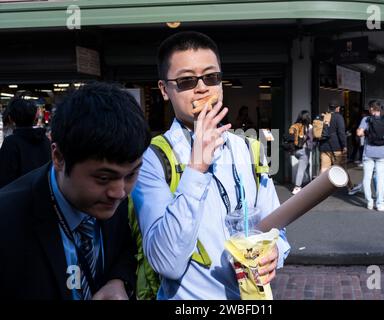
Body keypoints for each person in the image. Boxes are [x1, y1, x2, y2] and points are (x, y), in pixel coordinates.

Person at [131, 31, 290, 300]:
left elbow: (274, 226)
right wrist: (197, 166)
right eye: (187, 80)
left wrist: (276, 252)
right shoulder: (152, 159)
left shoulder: (248, 149)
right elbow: (166, 262)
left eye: (211, 77)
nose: (202, 87)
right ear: (164, 90)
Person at [0, 82, 151, 300]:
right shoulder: (8, 221)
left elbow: (123, 250)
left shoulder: (111, 198)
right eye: (103, 178)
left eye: (131, 175)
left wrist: (118, 281)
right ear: (59, 157)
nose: (119, 192)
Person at [357, 101, 384, 211]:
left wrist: (363, 133)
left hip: (368, 153)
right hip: (382, 153)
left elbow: (359, 133)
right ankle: (380, 204)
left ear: (371, 109)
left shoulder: (366, 119)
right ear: (380, 109)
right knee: (380, 179)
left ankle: (369, 202)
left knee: (367, 178)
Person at [0, 97, 51, 188]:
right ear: (35, 117)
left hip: (18, 198)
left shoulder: (11, 143)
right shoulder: (46, 141)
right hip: (43, 195)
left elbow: (4, 179)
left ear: (11, 118)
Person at [318, 103, 361, 195]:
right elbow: (341, 133)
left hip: (324, 146)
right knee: (341, 169)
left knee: (324, 168)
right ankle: (350, 187)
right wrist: (344, 146)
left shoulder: (323, 116)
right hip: (336, 147)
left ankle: (320, 190)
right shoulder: (338, 117)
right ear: (337, 108)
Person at [289, 110, 313, 195]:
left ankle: (309, 183)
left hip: (295, 150)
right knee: (301, 169)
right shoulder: (309, 127)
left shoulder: (295, 125)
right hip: (304, 150)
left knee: (307, 165)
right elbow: (311, 139)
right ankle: (297, 187)